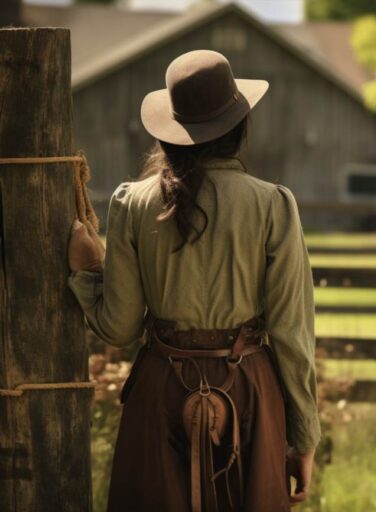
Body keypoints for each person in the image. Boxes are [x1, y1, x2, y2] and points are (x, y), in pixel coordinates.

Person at [67, 49, 320, 511]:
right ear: (240, 127)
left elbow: (119, 328)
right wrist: (303, 437)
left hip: (160, 391)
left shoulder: (132, 203)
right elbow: (291, 334)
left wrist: (88, 272)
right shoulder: (274, 205)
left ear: (173, 130)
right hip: (249, 393)